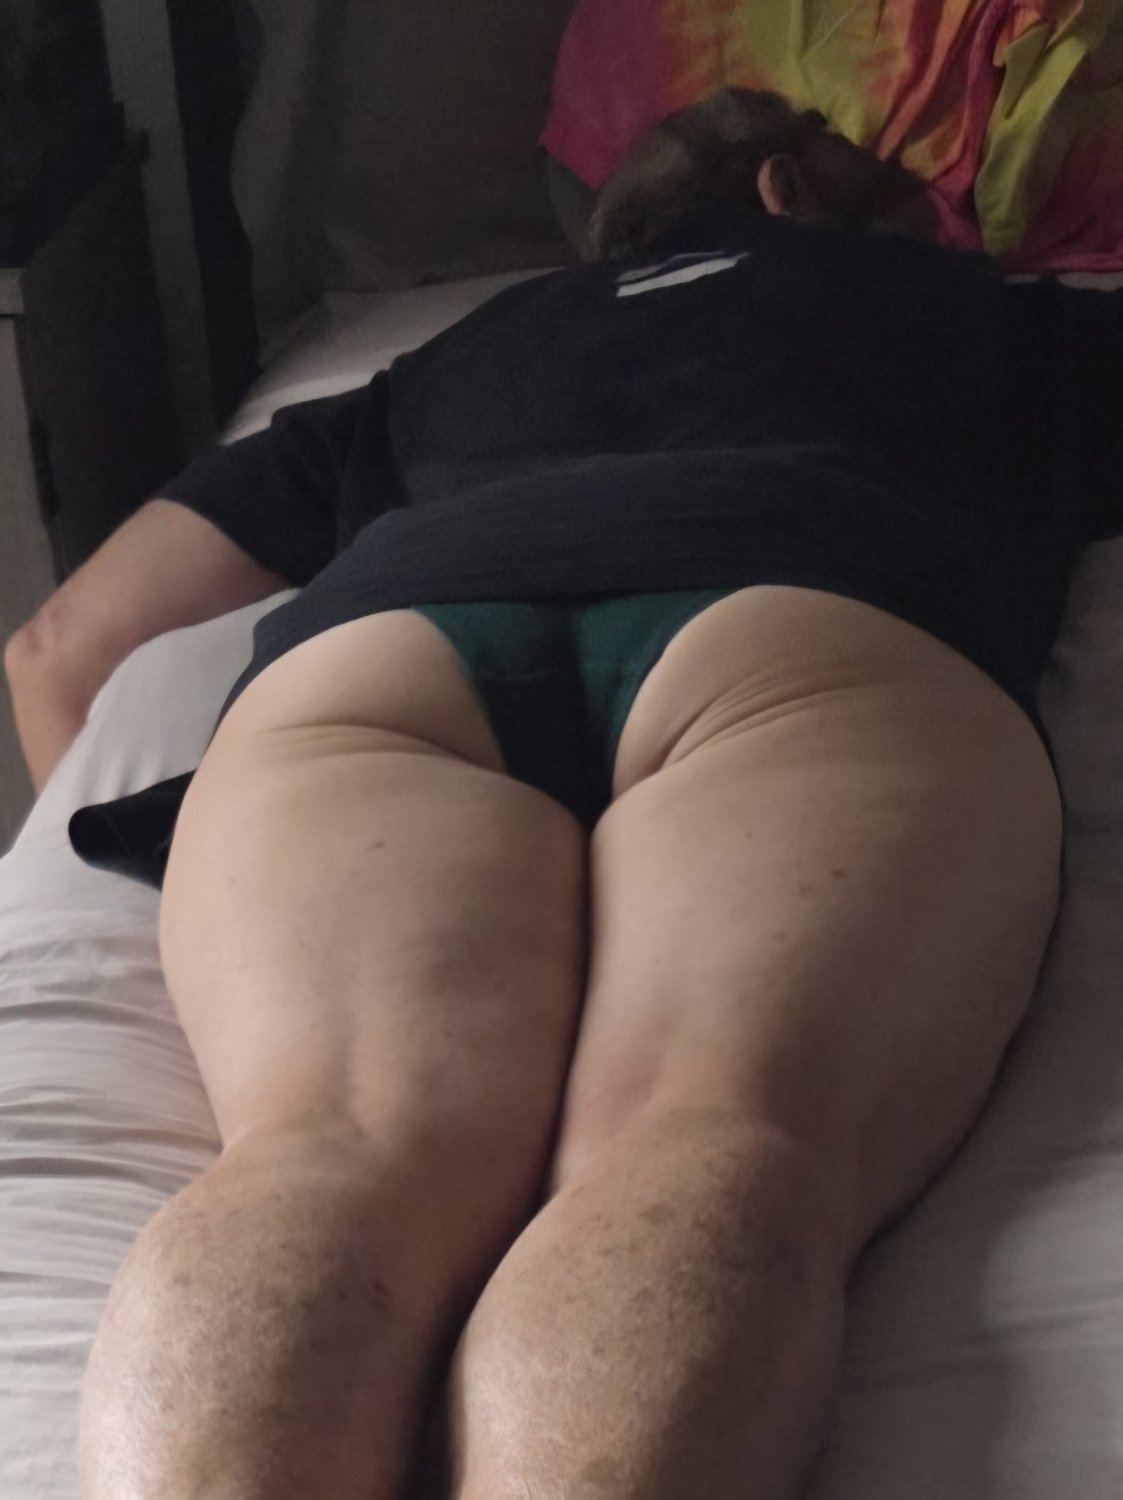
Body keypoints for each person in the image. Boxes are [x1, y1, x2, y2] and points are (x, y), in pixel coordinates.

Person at [9, 87, 1121, 1500]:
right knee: (706, 1132)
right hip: (801, 615)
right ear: (785, 188)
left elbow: (62, 646)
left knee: (329, 1146)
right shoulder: (982, 314)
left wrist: (210, 907)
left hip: (384, 659)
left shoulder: (442, 359)